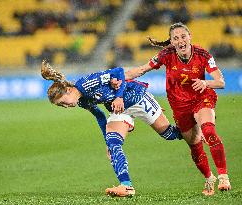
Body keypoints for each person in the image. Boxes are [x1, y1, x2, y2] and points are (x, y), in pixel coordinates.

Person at [41, 60, 182, 197]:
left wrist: (119, 97)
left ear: (68, 90)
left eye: (63, 102)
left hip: (136, 98)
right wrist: (107, 142)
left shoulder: (85, 84)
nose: (65, 106)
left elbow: (119, 71)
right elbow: (100, 117)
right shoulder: (82, 101)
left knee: (169, 134)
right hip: (119, 110)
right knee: (113, 143)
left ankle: (191, 126)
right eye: (61, 106)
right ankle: (126, 185)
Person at [122, 22, 231, 196]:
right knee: (195, 146)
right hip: (179, 106)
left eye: (183, 36)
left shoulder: (202, 54)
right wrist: (121, 77)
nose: (180, 41)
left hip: (201, 97)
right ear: (172, 42)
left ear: (190, 37)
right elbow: (143, 69)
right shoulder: (166, 54)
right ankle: (209, 177)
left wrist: (205, 82)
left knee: (208, 130)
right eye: (176, 38)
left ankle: (223, 176)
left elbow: (221, 82)